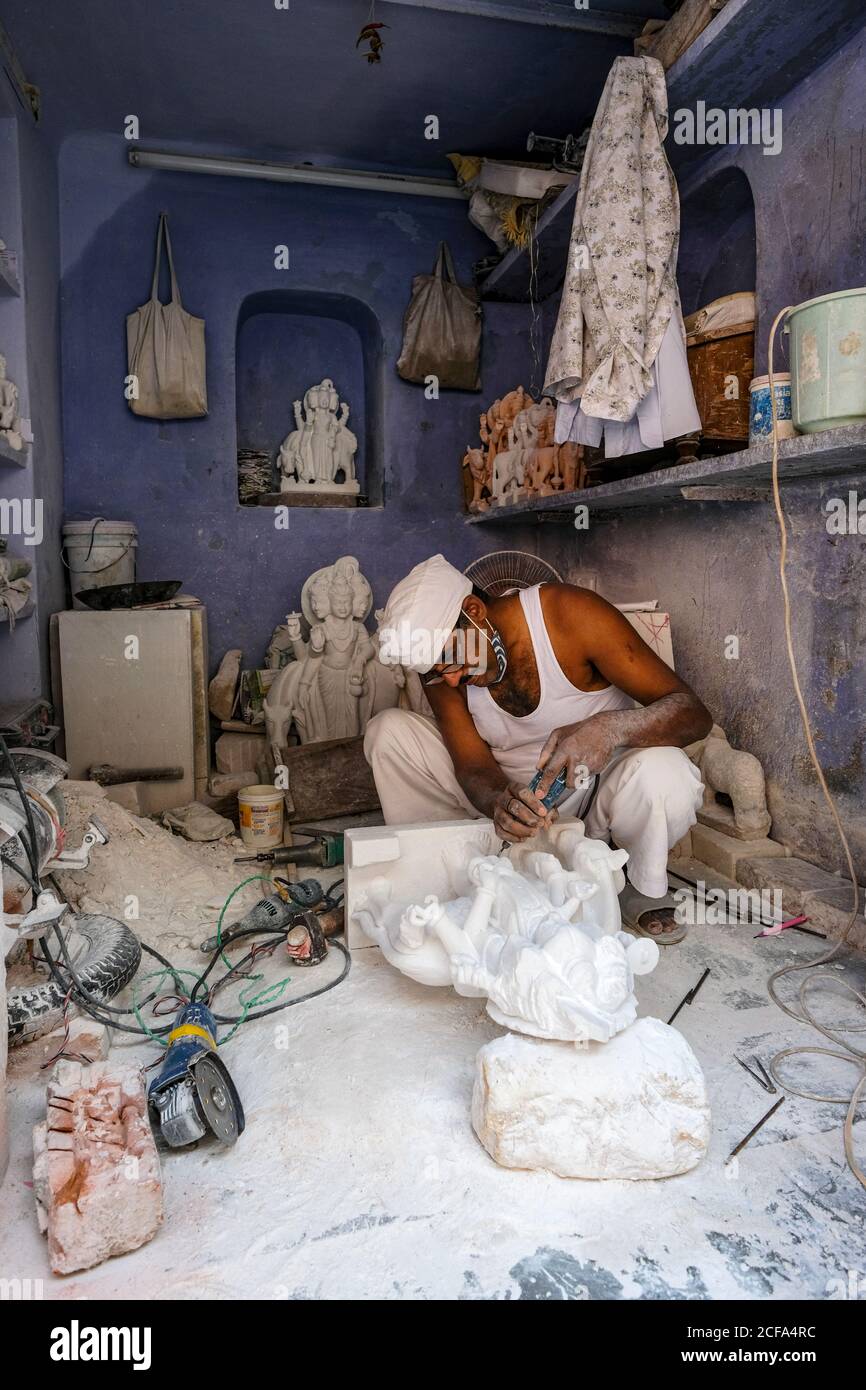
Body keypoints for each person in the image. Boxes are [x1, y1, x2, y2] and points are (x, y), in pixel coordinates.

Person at [367, 554, 712, 944]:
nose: (450, 678)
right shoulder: (445, 674)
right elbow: (470, 763)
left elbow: (693, 714)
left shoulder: (569, 615)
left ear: (475, 611)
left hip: (593, 794)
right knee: (388, 732)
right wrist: (499, 800)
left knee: (666, 772)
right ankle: (447, 864)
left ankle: (642, 883)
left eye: (450, 658)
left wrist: (608, 729)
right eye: (434, 672)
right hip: (512, 801)